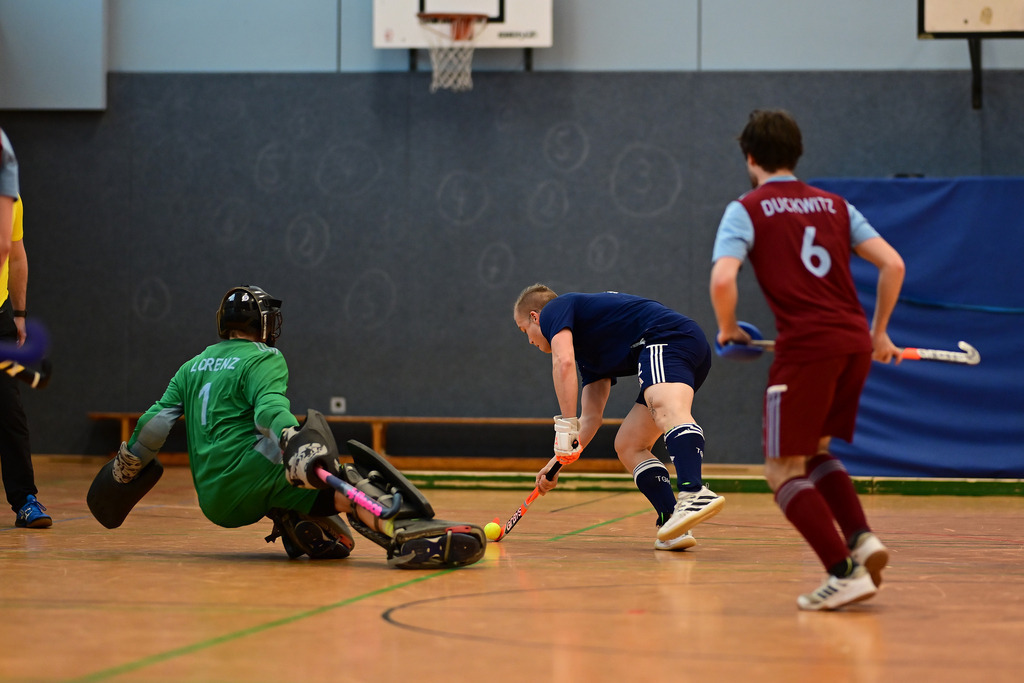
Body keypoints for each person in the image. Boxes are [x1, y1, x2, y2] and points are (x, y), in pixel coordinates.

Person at [99, 284, 486, 569]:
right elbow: (268, 410)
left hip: (213, 499)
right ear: (263, 323)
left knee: (329, 521)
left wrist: (127, 468)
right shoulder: (263, 357)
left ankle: (292, 515)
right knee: (342, 478)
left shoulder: (193, 365)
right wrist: (291, 437)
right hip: (249, 472)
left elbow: (154, 425)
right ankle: (405, 533)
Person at [709, 109, 906, 610]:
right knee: (816, 449)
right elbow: (893, 264)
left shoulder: (746, 208)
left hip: (807, 351)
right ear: (796, 155)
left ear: (750, 158)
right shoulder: (836, 206)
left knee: (780, 469)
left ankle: (843, 572)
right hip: (853, 346)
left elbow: (723, 279)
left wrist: (728, 328)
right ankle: (861, 538)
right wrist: (878, 331)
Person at [513, 284, 724, 551]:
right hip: (684, 347)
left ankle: (693, 492)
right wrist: (556, 465)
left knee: (665, 408)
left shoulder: (554, 308)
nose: (530, 340)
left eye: (524, 331)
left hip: (666, 338)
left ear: (535, 317)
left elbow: (562, 361)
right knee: (629, 444)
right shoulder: (589, 356)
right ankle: (673, 521)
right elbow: (590, 419)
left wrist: (565, 426)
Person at [0, 128, 50, 529]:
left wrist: (19, 312)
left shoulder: (10, 200)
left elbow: (16, 255)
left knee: (8, 410)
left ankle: (25, 500)